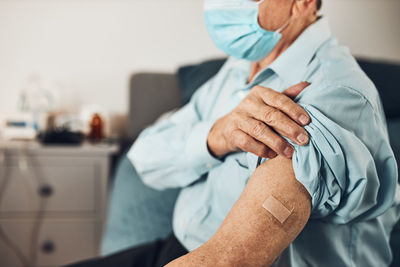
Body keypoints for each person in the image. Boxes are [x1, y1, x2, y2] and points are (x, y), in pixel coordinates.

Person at [68, 0, 400, 266]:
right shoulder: (239, 68)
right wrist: (217, 136)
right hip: (176, 247)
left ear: (302, 3)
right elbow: (145, 157)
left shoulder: (333, 92)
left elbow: (231, 259)